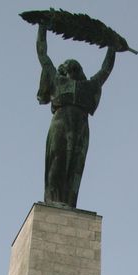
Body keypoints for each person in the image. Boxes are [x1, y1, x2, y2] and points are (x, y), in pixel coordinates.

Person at [36, 24, 116, 207]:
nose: (70, 68)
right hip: (61, 122)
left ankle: (69, 203)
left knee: (75, 167)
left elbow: (105, 70)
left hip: (80, 126)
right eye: (67, 66)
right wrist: (42, 27)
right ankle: (53, 201)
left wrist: (112, 46)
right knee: (57, 161)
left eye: (74, 67)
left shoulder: (89, 86)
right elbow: (43, 56)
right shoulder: (57, 80)